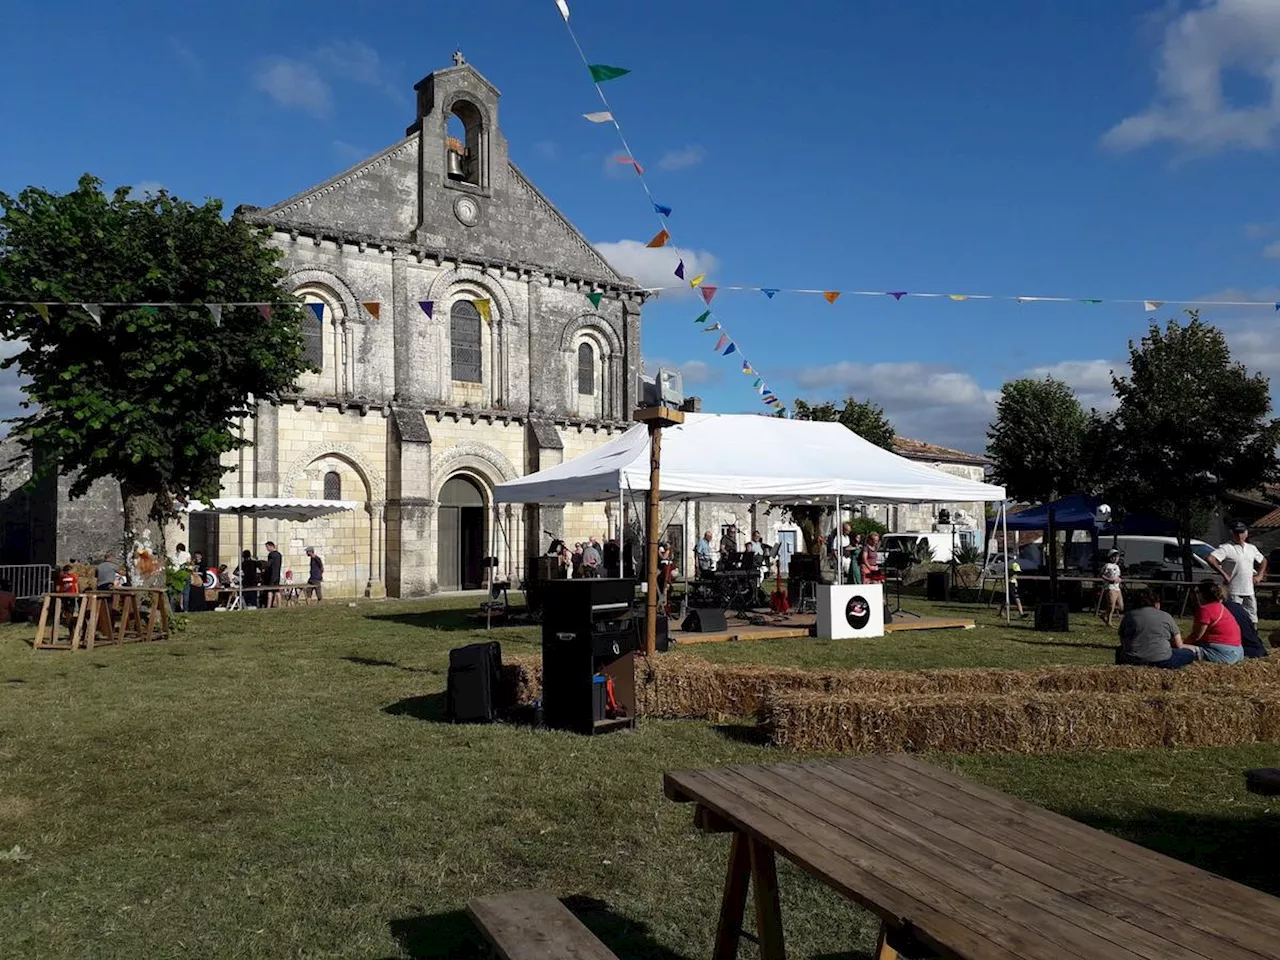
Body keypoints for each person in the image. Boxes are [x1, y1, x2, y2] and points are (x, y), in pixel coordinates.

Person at [1115, 589, 1196, 668]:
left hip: (1133, 660)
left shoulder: (1129, 616)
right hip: (1161, 660)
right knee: (1188, 654)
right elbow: (1179, 644)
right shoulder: (1166, 616)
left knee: (1119, 650)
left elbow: (1123, 641)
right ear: (1157, 603)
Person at [1206, 521, 1267, 624]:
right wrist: (1224, 574)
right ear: (1232, 533)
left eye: (1242, 533)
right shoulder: (1226, 548)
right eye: (1236, 533)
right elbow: (1210, 559)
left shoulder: (1251, 548)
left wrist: (1259, 575)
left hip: (1249, 590)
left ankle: (1252, 635)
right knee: (1235, 618)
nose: (1239, 536)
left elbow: (1263, 561)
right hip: (1233, 590)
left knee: (1252, 618)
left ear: (1246, 533)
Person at [1184, 581, 1244, 664]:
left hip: (1223, 654)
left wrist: (1181, 643)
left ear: (1202, 594)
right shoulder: (1221, 607)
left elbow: (1196, 636)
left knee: (1180, 650)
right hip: (1238, 651)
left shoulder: (1205, 610)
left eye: (1197, 592)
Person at [1100, 550, 1124, 627]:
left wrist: (1120, 579)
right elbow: (1102, 575)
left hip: (1117, 588)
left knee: (1121, 606)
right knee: (1111, 605)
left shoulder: (1117, 567)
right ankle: (1109, 621)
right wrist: (1110, 580)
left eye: (1117, 557)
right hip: (1110, 587)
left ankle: (1103, 614)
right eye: (1115, 557)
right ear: (1111, 557)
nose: (1116, 558)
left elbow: (1118, 576)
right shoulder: (1107, 566)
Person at [172, 541, 192, 612]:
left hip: (176, 574)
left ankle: (173, 609)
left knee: (175, 593)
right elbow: (189, 564)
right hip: (185, 573)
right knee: (186, 593)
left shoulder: (173, 555)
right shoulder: (187, 554)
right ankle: (185, 610)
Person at [263, 541, 283, 608]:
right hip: (277, 575)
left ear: (271, 546)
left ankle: (268, 606)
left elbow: (269, 564)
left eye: (267, 547)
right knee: (277, 591)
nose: (267, 549)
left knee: (270, 591)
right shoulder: (279, 555)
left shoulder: (271, 555)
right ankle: (279, 605)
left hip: (271, 576)